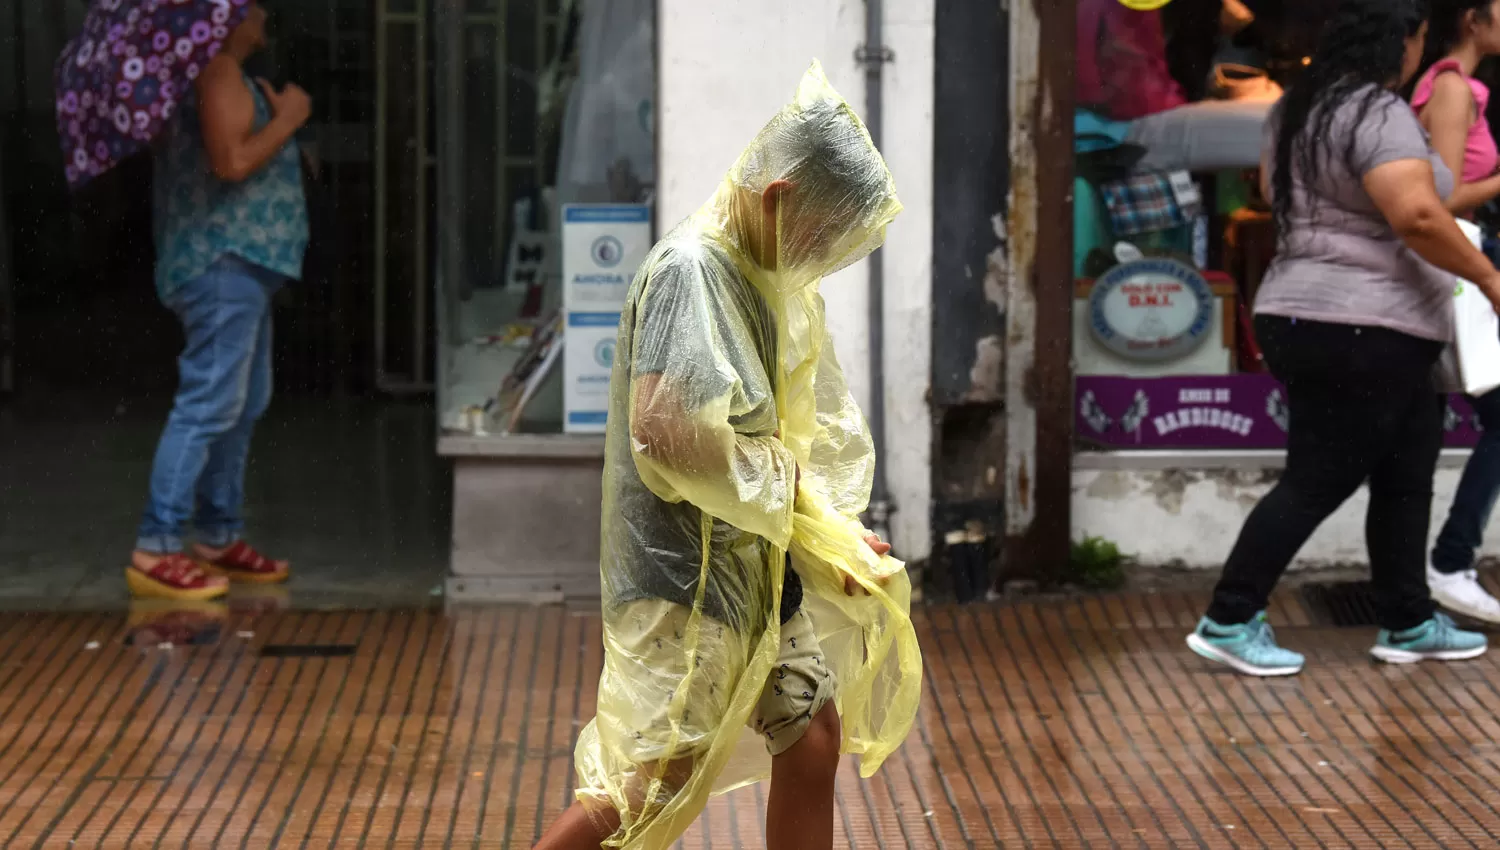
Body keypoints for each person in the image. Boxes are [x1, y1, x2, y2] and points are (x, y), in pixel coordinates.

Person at [533, 63, 917, 850]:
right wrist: (807, 519)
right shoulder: (694, 273)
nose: (817, 259)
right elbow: (670, 435)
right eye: (818, 237)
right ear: (777, 196)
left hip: (751, 564)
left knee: (811, 740)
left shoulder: (759, 272)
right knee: (651, 787)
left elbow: (780, 441)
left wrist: (824, 535)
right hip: (688, 578)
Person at [1187, 0, 1500, 676]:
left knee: (1407, 469)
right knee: (1318, 477)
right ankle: (1231, 616)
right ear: (1400, 45)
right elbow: (1417, 212)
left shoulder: (1299, 112)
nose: (1419, 52)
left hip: (1320, 310)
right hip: (1361, 318)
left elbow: (1274, 192)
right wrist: (1488, 278)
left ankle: (1409, 618)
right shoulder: (1375, 112)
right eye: (1417, 41)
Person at [127, 3, 310, 601]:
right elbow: (230, 161)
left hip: (240, 266)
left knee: (242, 400)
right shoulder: (218, 72)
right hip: (222, 264)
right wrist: (288, 119)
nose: (263, 15)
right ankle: (156, 547)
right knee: (210, 400)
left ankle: (217, 533)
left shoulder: (216, 75)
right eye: (253, 7)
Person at [1411, 0, 1500, 623]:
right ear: (1474, 18)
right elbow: (1439, 197)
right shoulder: (1449, 87)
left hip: (1458, 262)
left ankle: (1431, 577)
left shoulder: (1459, 85)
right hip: (1452, 264)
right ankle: (1449, 562)